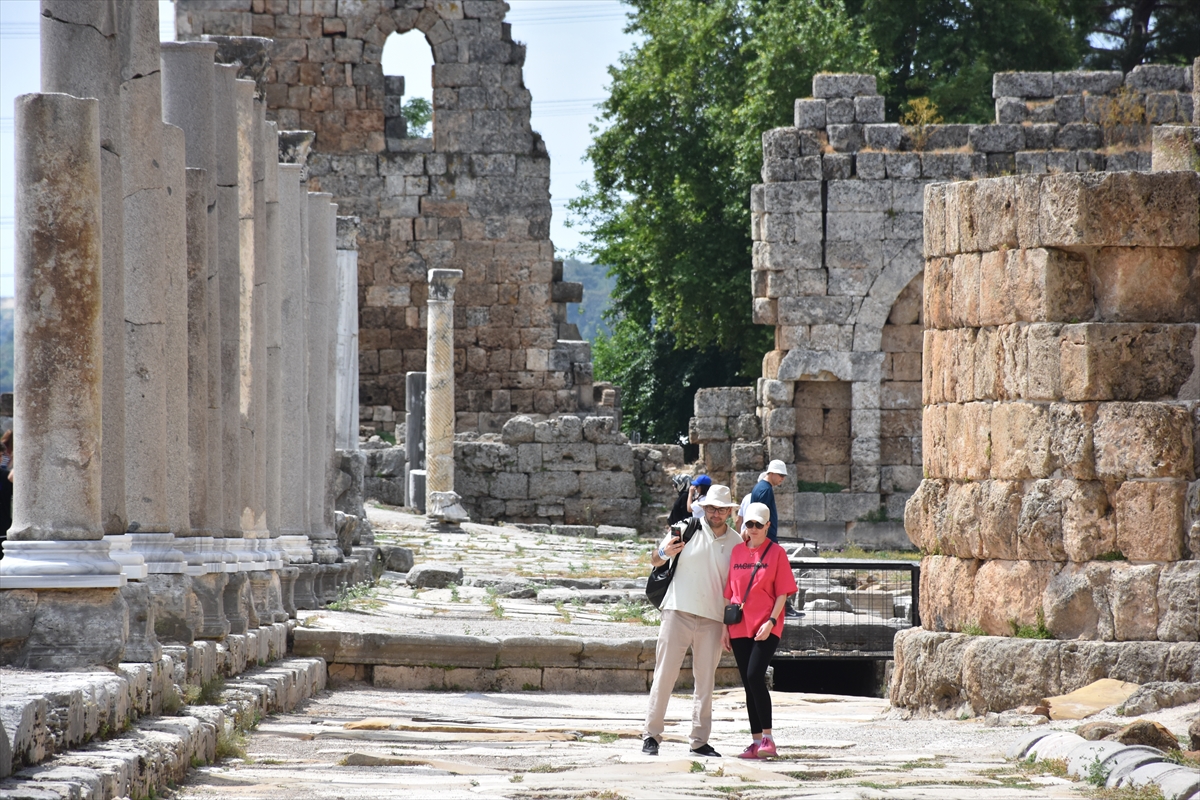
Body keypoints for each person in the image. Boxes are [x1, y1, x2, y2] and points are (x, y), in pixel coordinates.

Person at [642, 484, 741, 758]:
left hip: (712, 618)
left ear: (729, 511)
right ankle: (651, 735)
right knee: (665, 675)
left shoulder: (737, 543)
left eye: (721, 509)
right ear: (704, 508)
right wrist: (665, 554)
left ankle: (699, 740)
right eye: (711, 508)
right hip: (677, 610)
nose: (716, 513)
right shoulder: (686, 527)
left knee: (706, 682)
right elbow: (654, 558)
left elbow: (736, 586)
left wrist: (728, 625)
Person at [723, 502, 798, 759]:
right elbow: (729, 593)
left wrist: (772, 622)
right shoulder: (736, 552)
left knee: (755, 675)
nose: (753, 529)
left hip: (766, 625)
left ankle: (768, 738)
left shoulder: (776, 553)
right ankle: (755, 742)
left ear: (768, 526)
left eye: (758, 525)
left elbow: (783, 592)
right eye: (749, 524)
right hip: (738, 625)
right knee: (747, 683)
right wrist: (725, 627)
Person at [750, 460, 788, 542]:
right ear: (772, 473)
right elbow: (760, 518)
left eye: (784, 475)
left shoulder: (760, 487)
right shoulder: (766, 490)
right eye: (781, 475)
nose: (783, 478)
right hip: (766, 539)